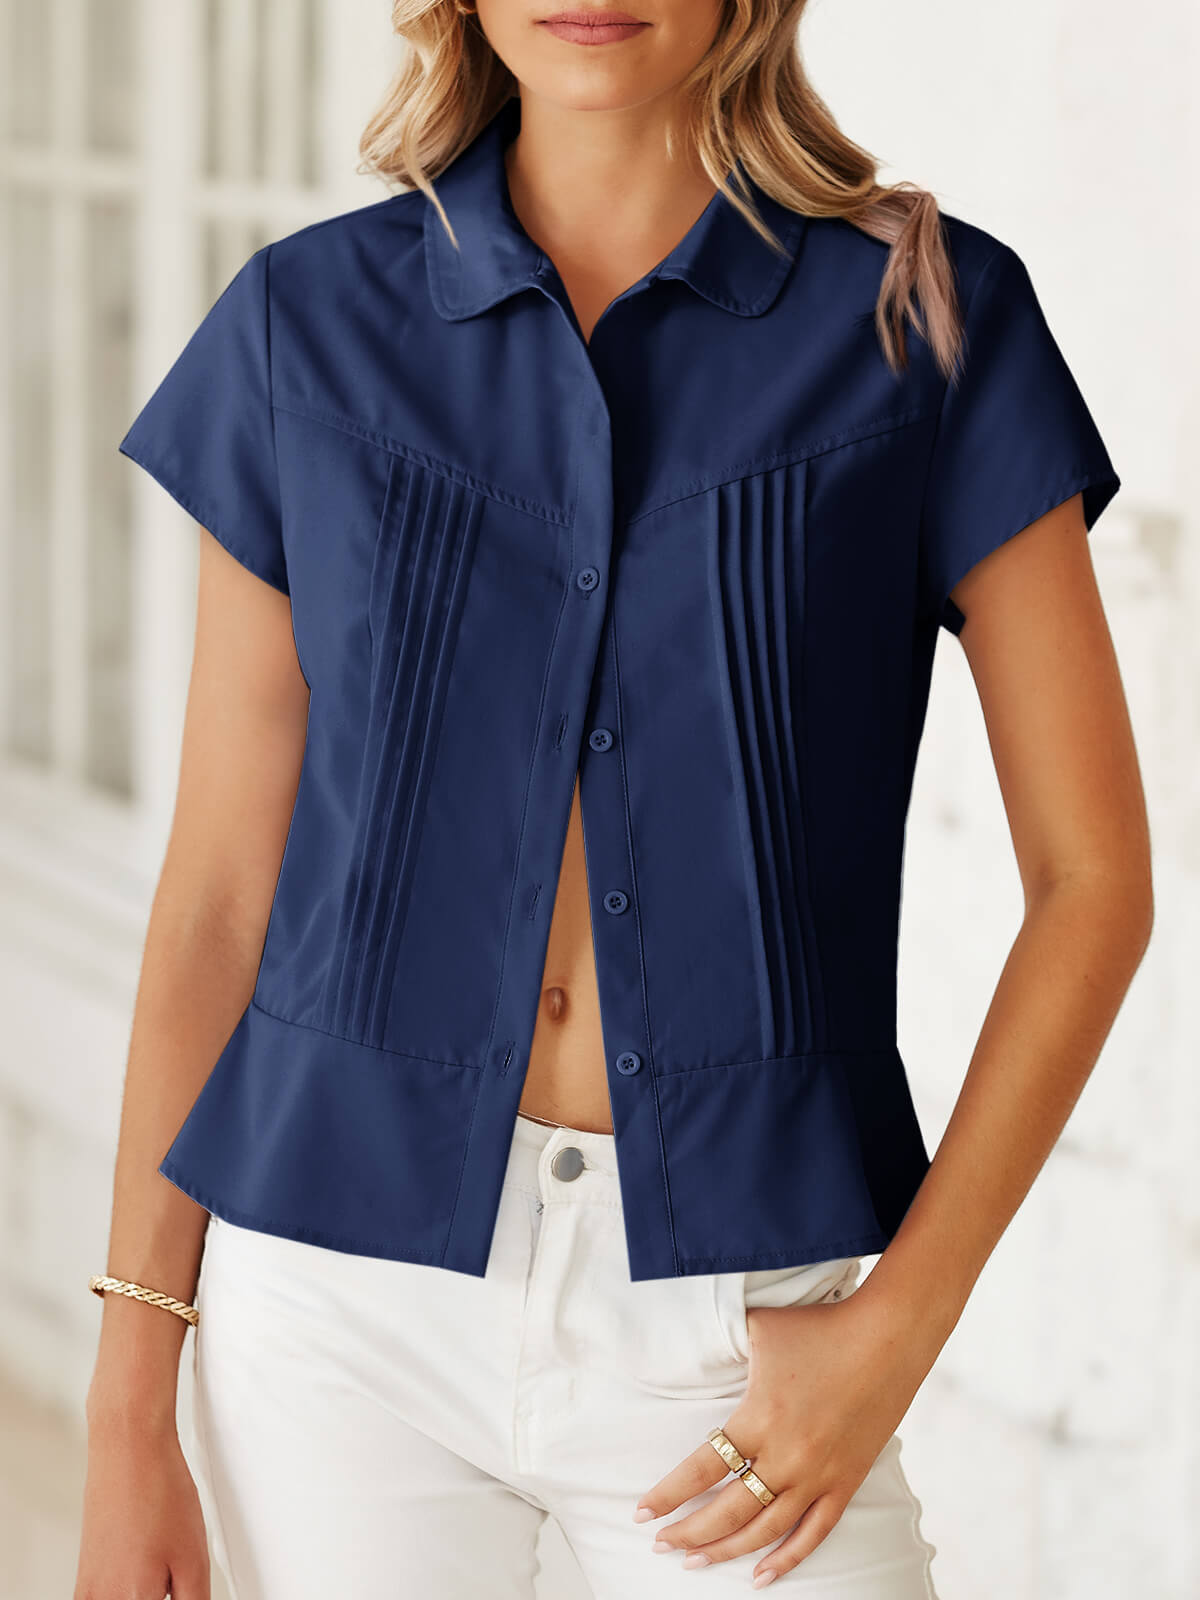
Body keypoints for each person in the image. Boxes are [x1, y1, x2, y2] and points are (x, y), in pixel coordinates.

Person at [76, 3, 1152, 1597]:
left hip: (736, 1324)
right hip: (335, 1313)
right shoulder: (306, 325)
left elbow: (1093, 881)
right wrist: (126, 1413)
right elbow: (222, 900)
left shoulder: (925, 319)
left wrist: (894, 1331)